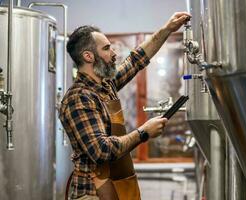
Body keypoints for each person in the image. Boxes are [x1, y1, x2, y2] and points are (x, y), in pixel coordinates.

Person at [59, 12, 191, 200]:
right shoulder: (79, 98)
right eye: (106, 49)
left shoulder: (106, 86)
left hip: (115, 187)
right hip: (91, 194)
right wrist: (143, 132)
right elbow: (101, 150)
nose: (114, 54)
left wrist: (168, 29)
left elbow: (136, 60)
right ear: (88, 56)